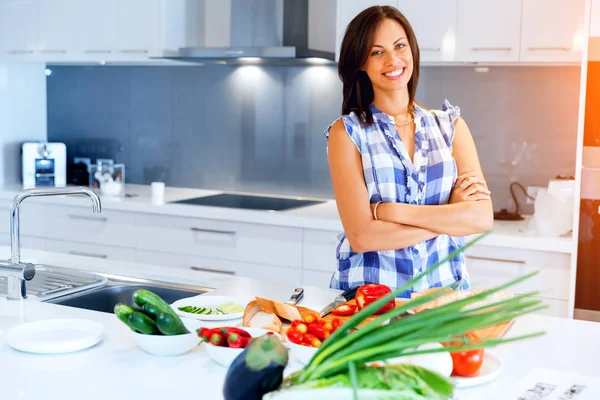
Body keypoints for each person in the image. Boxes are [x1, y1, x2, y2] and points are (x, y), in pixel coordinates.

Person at [325, 5, 493, 297]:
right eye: (377, 52)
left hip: (443, 298)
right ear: (361, 63)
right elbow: (362, 236)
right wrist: (449, 219)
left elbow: (480, 218)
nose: (392, 59)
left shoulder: (451, 127)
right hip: (370, 302)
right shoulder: (347, 133)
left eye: (399, 46)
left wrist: (389, 212)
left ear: (412, 50)